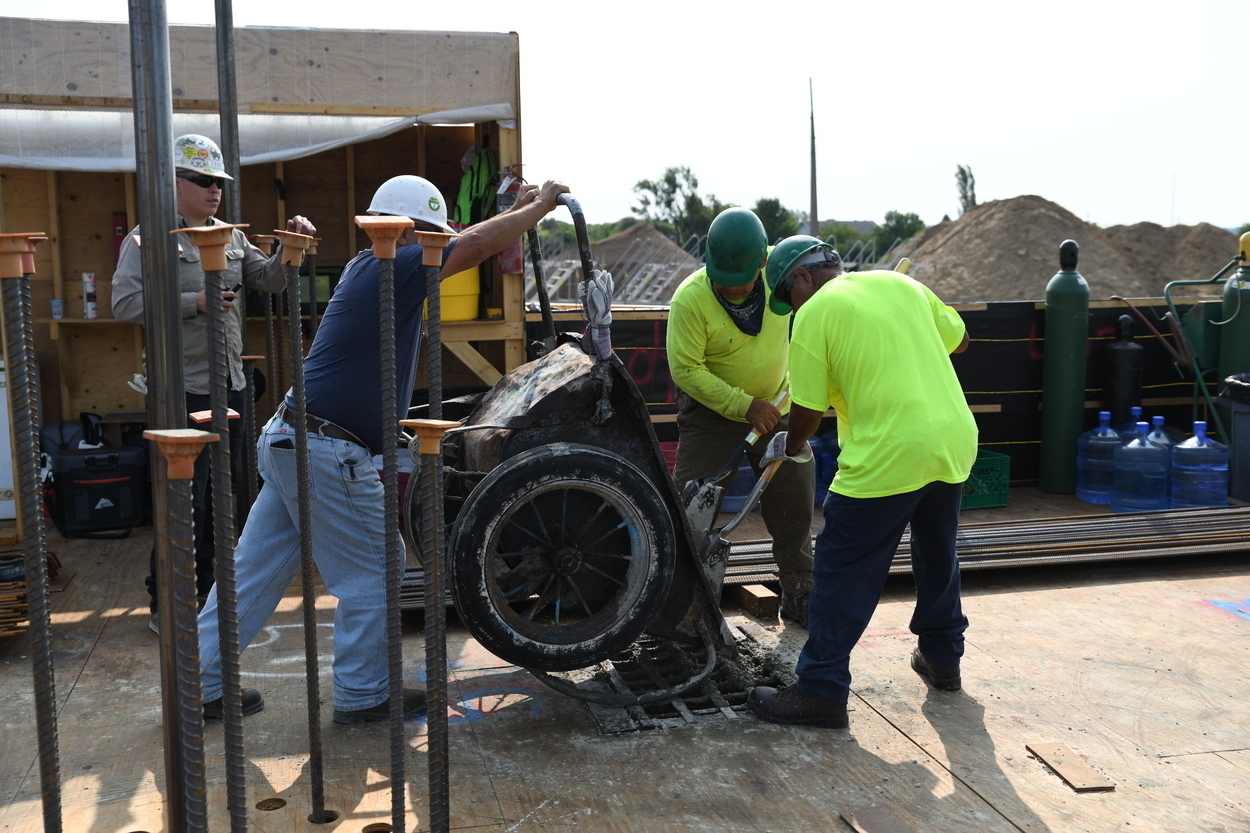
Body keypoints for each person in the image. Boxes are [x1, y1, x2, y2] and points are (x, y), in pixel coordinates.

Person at [196, 175, 570, 723]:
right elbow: (474, 246)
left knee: (255, 572)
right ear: (408, 231)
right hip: (325, 448)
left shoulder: (371, 266)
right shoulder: (392, 267)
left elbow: (465, 238)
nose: (437, 246)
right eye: (430, 234)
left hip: (291, 438)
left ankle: (199, 682)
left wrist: (513, 209)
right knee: (376, 568)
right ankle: (364, 694)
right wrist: (537, 209)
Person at [747, 235, 976, 730]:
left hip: (889, 450)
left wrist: (786, 449)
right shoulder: (901, 285)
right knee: (937, 552)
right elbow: (959, 338)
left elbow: (806, 410)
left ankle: (821, 690)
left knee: (841, 566)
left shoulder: (813, 315)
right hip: (952, 438)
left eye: (789, 297)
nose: (790, 309)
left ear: (803, 278)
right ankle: (942, 659)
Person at [112, 133, 316, 635]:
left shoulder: (231, 235)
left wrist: (291, 249)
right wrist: (193, 303)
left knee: (231, 497)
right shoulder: (147, 239)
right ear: (173, 184)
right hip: (181, 390)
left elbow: (269, 280)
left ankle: (212, 600)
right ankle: (171, 602)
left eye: (218, 182)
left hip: (231, 384)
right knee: (186, 500)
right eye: (203, 181)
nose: (214, 190)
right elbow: (124, 305)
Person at [667, 207, 815, 624]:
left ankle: (800, 589)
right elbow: (686, 370)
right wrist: (743, 406)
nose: (729, 288)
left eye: (741, 281)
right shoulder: (690, 299)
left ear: (764, 263)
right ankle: (684, 602)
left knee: (795, 484)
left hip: (776, 404)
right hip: (713, 413)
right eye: (721, 279)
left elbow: (818, 313)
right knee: (694, 504)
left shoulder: (785, 275)